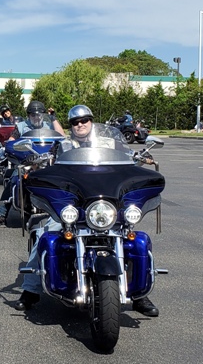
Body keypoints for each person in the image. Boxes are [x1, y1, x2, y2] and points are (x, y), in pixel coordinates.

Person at [15, 104, 159, 318]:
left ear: (91, 121)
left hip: (105, 206)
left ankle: (139, 295)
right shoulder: (63, 146)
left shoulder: (110, 143)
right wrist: (36, 161)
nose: (80, 124)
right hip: (73, 206)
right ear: (70, 125)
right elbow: (49, 163)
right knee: (45, 234)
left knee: (135, 239)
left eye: (84, 120)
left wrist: (140, 156)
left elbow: (129, 155)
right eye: (75, 122)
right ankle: (30, 290)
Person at [0, 101, 63, 224]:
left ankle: (66, 212)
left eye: (39, 114)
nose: (36, 117)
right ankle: (0, 213)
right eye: (33, 115)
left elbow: (62, 137)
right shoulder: (21, 126)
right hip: (26, 163)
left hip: (48, 162)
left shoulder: (49, 126)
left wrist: (53, 118)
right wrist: (11, 146)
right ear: (28, 115)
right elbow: (11, 140)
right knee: (14, 179)